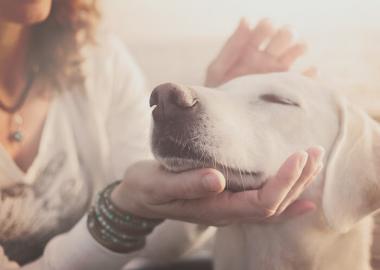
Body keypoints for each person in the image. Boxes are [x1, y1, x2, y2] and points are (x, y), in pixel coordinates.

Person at [0, 1, 327, 269]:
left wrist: (214, 126)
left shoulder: (99, 60)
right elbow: (135, 210)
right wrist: (123, 209)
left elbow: (156, 239)